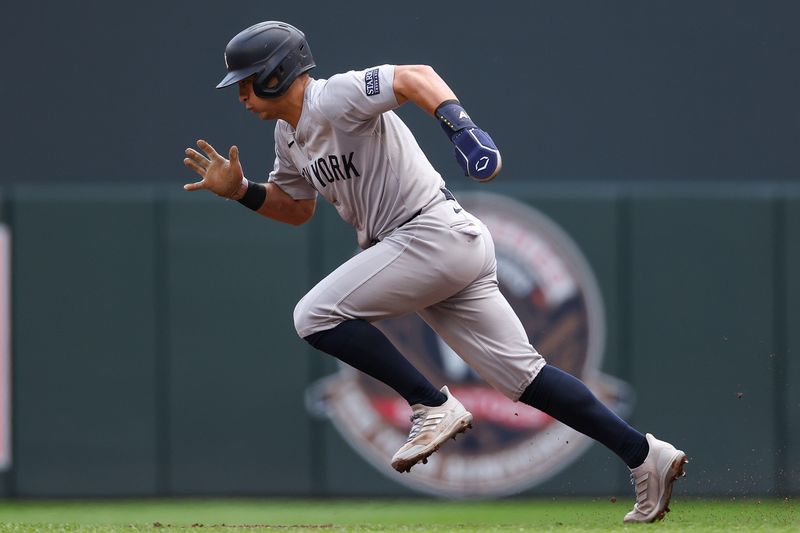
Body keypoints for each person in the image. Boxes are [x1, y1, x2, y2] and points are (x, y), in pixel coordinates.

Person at [182, 20, 687, 523]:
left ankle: (430, 404)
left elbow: (413, 76)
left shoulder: (331, 97)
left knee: (313, 316)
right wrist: (241, 190)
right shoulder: (287, 136)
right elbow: (296, 208)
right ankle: (645, 455)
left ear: (277, 73)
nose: (241, 93)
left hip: (429, 232)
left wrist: (463, 129)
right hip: (437, 247)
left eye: (248, 80)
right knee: (526, 380)